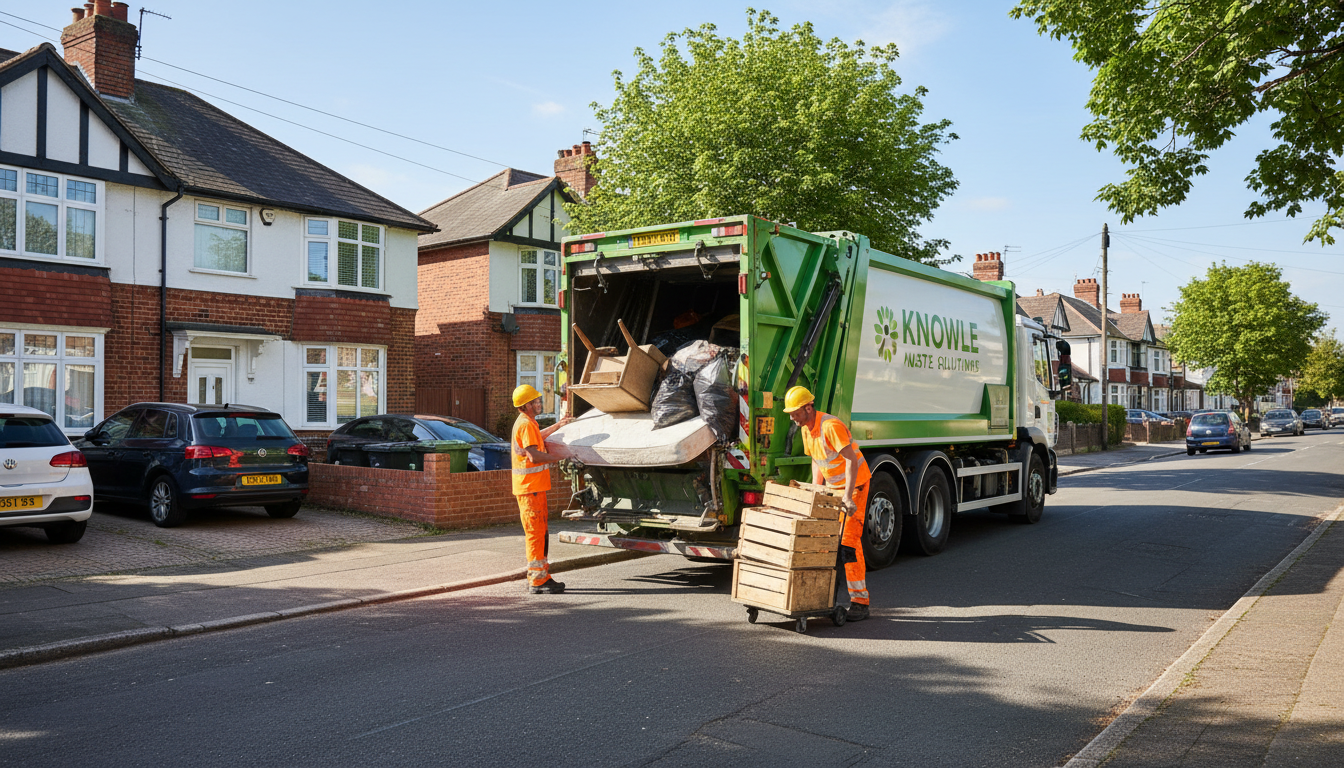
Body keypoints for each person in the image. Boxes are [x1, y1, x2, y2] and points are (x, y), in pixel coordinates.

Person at [782, 385, 872, 621]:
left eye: (795, 412)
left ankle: (860, 603)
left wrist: (847, 496)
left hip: (856, 487)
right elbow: (817, 459)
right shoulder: (805, 428)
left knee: (848, 543)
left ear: (808, 408)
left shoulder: (830, 426)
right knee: (824, 539)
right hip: (833, 489)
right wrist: (816, 489)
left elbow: (851, 461)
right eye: (790, 413)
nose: (792, 417)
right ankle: (823, 597)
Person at [511, 384, 574, 594]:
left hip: (533, 489)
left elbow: (538, 436)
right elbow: (534, 456)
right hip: (531, 490)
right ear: (527, 405)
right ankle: (537, 581)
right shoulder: (526, 424)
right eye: (536, 401)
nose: (539, 403)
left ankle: (541, 577)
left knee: (539, 534)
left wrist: (559, 425)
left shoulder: (527, 423)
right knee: (536, 535)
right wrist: (560, 457)